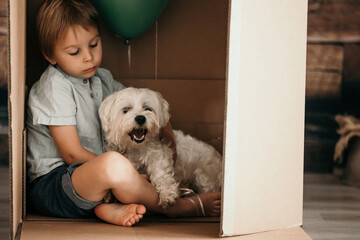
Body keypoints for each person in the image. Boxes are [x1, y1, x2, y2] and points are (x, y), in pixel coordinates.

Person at [26, 0, 221, 227]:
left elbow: (139, 104)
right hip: (55, 186)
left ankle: (104, 207)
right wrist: (127, 171)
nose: (88, 57)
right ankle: (179, 208)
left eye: (94, 44)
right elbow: (72, 154)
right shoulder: (54, 88)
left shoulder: (103, 79)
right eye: (74, 52)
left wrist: (168, 137)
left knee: (124, 165)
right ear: (51, 56)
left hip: (98, 182)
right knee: (116, 164)